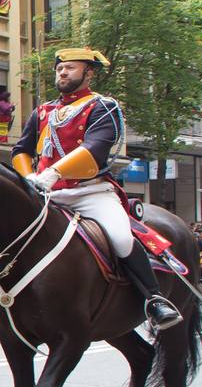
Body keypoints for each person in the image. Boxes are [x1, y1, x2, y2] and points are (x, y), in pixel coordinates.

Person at [12, 48, 181, 330]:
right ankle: (9, 306)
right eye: (59, 69)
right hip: (47, 195)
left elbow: (94, 149)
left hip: (89, 193)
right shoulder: (43, 111)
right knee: (15, 239)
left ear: (88, 73)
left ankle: (155, 299)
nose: (63, 73)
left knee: (121, 238)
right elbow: (21, 149)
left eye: (70, 68)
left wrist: (53, 173)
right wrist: (29, 177)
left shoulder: (103, 106)